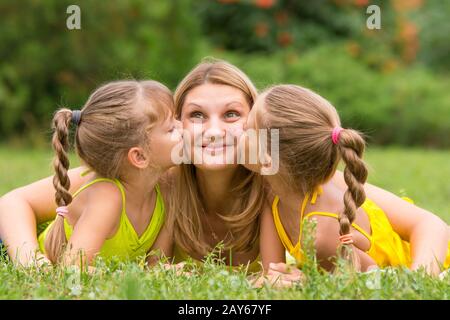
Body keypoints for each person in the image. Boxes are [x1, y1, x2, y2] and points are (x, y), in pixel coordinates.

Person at [0, 59, 269, 273]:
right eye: (196, 115)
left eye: (232, 114)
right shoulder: (145, 177)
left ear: (256, 120)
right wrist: (32, 263)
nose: (213, 131)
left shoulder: (274, 180)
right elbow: (13, 202)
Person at [240, 84, 449, 284]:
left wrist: (417, 282)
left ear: (268, 158)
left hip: (432, 259)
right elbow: (273, 273)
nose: (239, 130)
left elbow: (374, 281)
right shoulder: (272, 191)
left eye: (247, 128)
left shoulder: (322, 234)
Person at [0, 80, 182, 267]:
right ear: (139, 156)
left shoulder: (166, 189)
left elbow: (155, 266)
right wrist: (31, 262)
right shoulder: (107, 195)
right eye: (171, 128)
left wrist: (167, 271)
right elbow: (71, 272)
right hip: (10, 247)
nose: (183, 127)